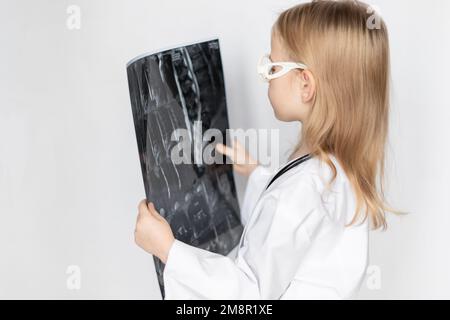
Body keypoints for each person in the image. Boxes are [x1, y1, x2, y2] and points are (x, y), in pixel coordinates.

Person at [134, 0, 397, 299]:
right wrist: (259, 175)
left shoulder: (298, 192)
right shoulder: (340, 170)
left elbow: (249, 294)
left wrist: (169, 250)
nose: (266, 77)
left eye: (272, 66)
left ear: (305, 84)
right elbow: (294, 242)